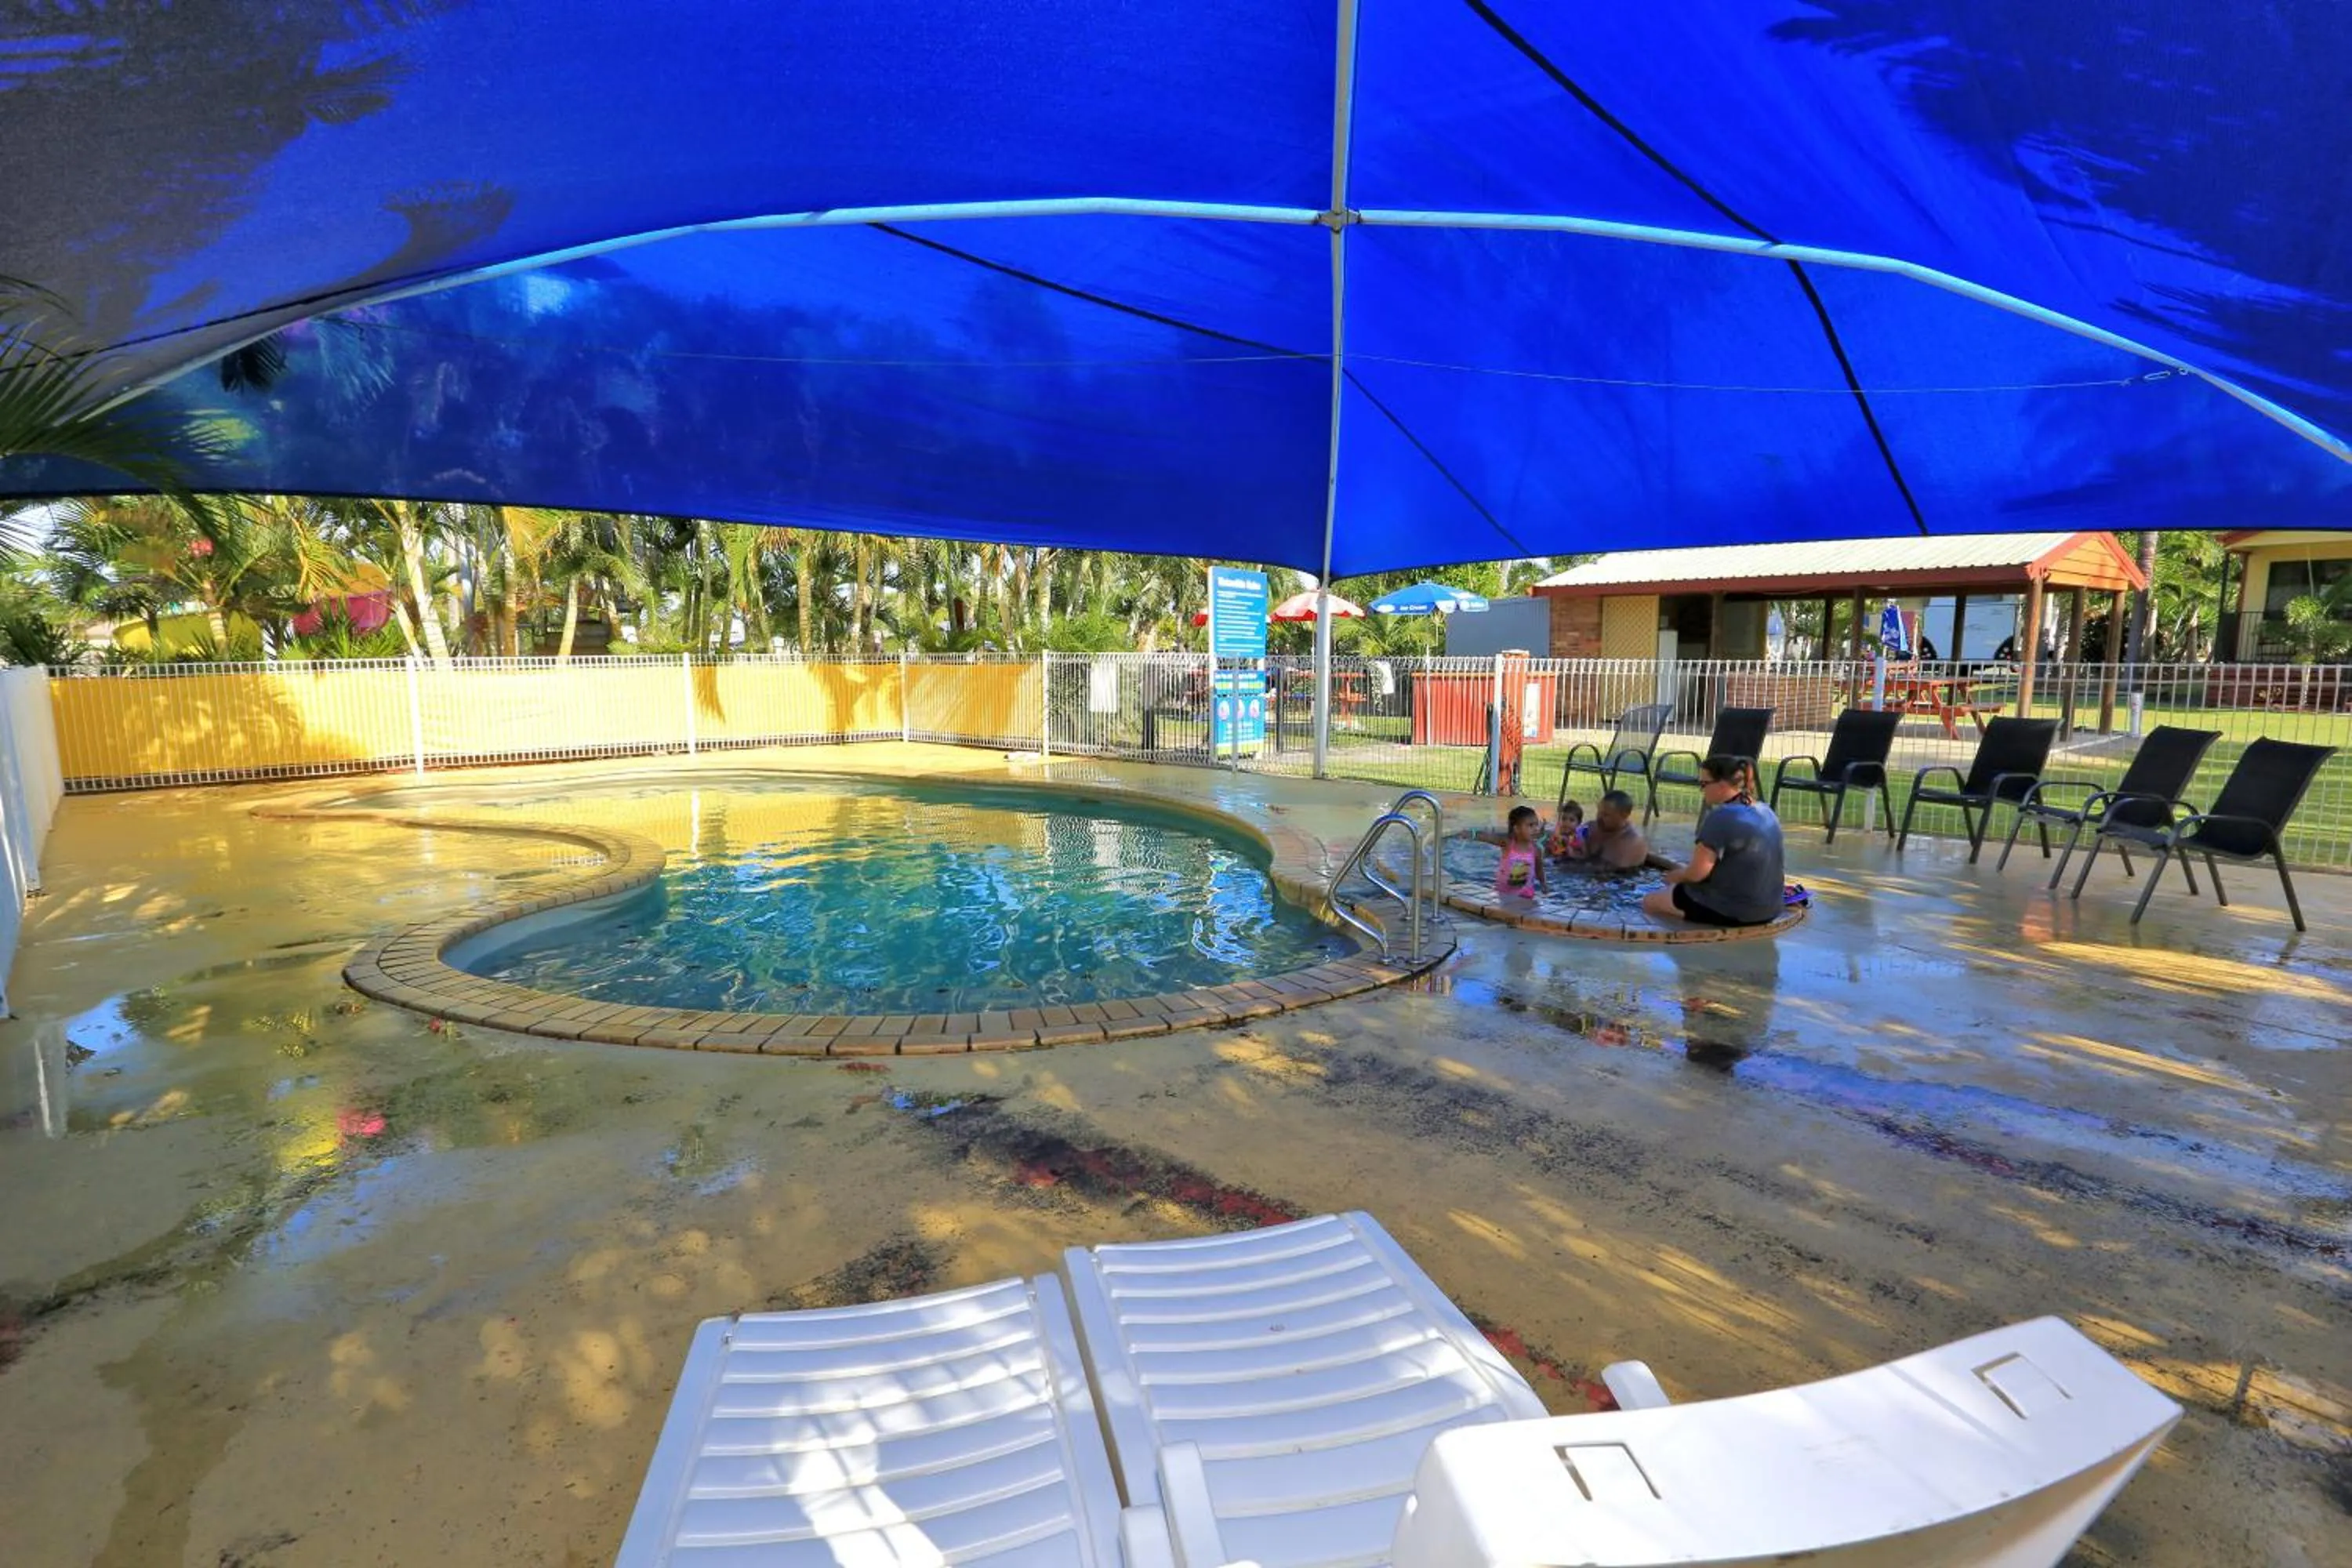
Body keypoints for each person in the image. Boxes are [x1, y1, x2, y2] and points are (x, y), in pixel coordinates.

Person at [1642, 756, 1784, 927]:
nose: (1701, 790)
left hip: (1738, 913)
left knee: (1650, 901)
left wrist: (1674, 876)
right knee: (1676, 891)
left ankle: (1686, 937)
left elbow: (1697, 874)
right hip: (1771, 908)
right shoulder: (1766, 810)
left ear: (1722, 785)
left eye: (1704, 784)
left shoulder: (1721, 817)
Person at [1561, 789, 1648, 870]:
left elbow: (1613, 874)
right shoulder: (1590, 827)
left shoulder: (1632, 843)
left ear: (1624, 815)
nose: (1599, 817)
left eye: (1606, 815)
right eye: (1599, 812)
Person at [1493, 804, 1548, 899]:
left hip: (1526, 893)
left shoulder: (1536, 849)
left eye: (1536, 825)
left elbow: (1539, 869)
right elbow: (1488, 837)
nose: (1535, 829)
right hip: (1504, 893)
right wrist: (1472, 834)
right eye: (1531, 825)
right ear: (1517, 829)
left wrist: (1543, 884)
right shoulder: (1508, 845)